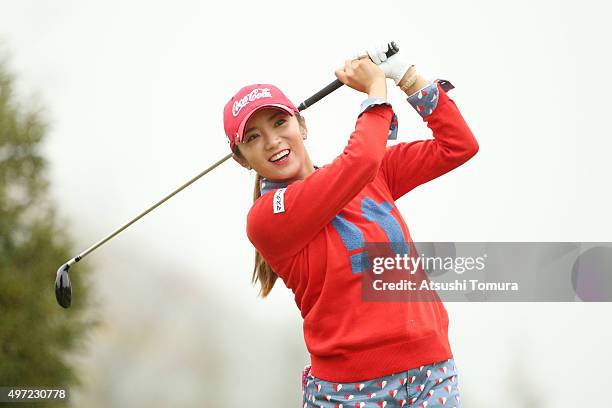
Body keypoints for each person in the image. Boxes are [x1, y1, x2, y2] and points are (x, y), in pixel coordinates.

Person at [222, 43, 478, 407]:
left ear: (302, 124)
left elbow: (458, 145)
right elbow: (359, 161)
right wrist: (375, 92)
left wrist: (406, 76)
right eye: (253, 137)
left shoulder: (372, 174)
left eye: (279, 122)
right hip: (350, 393)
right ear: (241, 159)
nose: (272, 141)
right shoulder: (266, 218)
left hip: (432, 375)